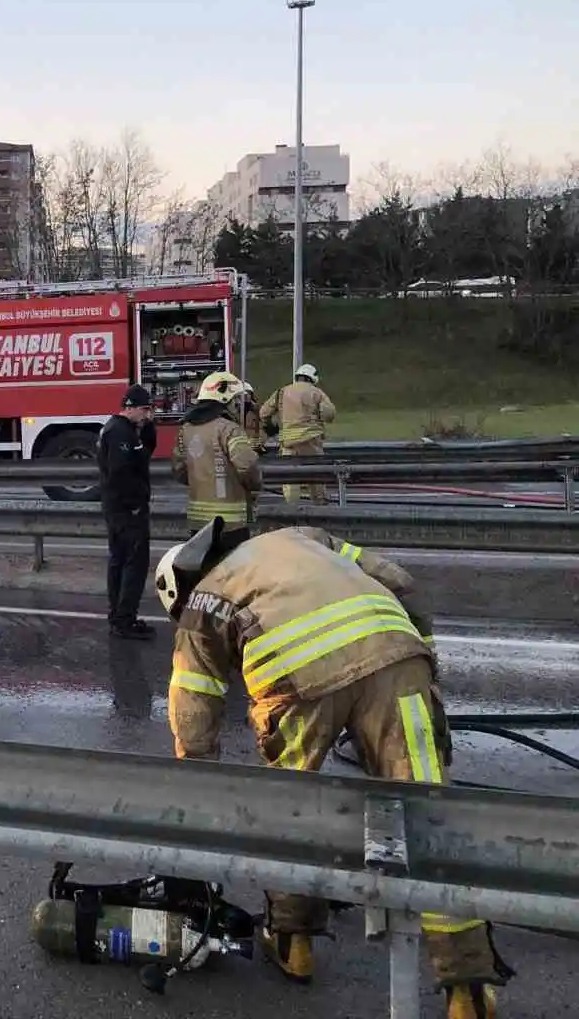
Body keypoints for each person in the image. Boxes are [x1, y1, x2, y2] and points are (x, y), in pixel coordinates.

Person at [153, 520, 513, 1018]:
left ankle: (293, 942)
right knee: (430, 818)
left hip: (297, 680)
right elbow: (400, 582)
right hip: (396, 656)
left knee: (293, 812)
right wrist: (421, 655)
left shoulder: (203, 600)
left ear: (180, 587)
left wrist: (197, 777)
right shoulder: (304, 537)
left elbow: (194, 702)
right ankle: (467, 992)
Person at [96, 384, 157, 640]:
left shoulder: (125, 430)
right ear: (130, 407)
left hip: (119, 507)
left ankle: (119, 616)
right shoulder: (119, 432)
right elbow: (121, 472)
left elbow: (143, 455)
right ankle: (124, 619)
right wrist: (133, 503)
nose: (147, 414)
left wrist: (149, 428)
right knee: (133, 562)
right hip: (126, 509)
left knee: (120, 560)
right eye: (144, 409)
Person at [171, 371, 261, 534]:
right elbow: (247, 467)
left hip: (197, 521)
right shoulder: (229, 429)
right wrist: (254, 487)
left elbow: (179, 470)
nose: (237, 405)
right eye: (235, 400)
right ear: (226, 400)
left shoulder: (186, 430)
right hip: (231, 523)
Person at [260, 363, 337, 505]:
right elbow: (329, 414)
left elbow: (264, 412)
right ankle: (321, 508)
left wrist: (275, 423)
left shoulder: (281, 392)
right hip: (311, 442)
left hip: (289, 443)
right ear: (313, 378)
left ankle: (292, 511)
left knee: (290, 480)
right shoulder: (317, 392)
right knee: (316, 476)